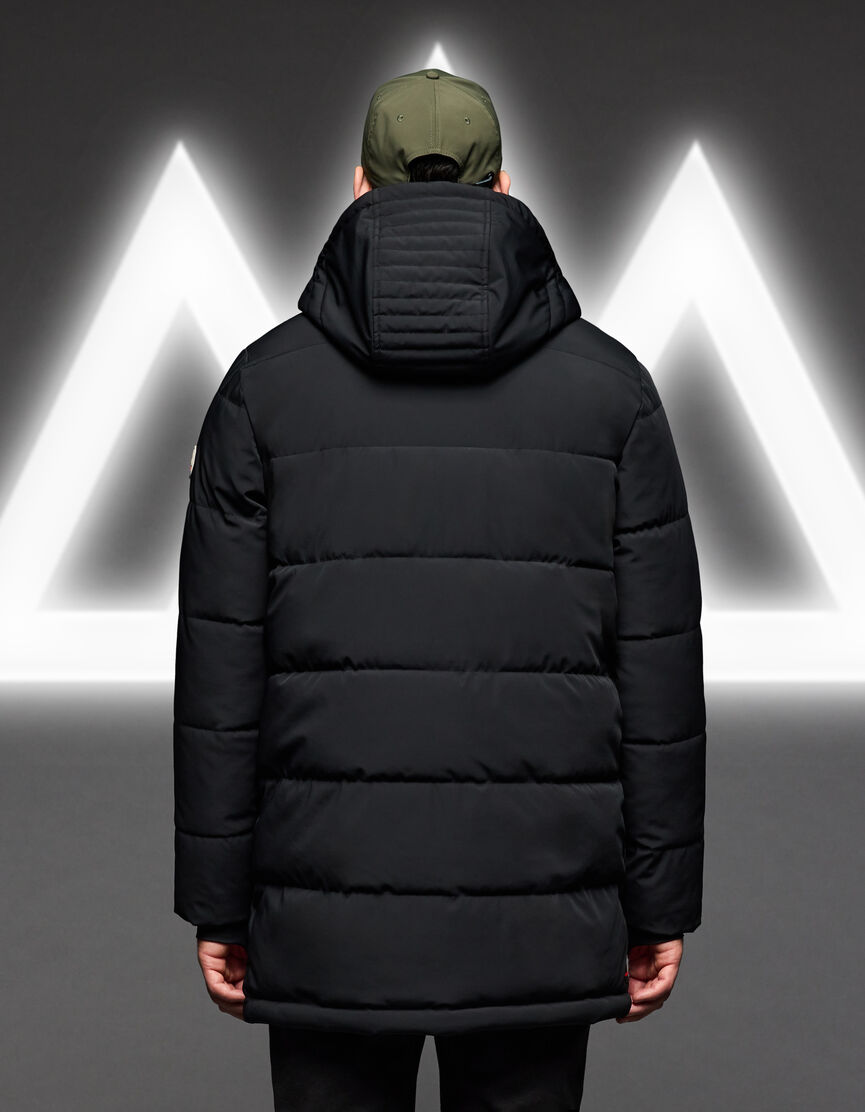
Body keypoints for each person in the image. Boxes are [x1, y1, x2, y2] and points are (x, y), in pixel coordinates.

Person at [173, 66, 707, 1111]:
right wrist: (656, 903)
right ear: (504, 187)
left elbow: (220, 674)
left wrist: (220, 904)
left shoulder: (260, 392)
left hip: (326, 923)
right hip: (539, 919)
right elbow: (657, 675)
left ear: (357, 186)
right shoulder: (615, 396)